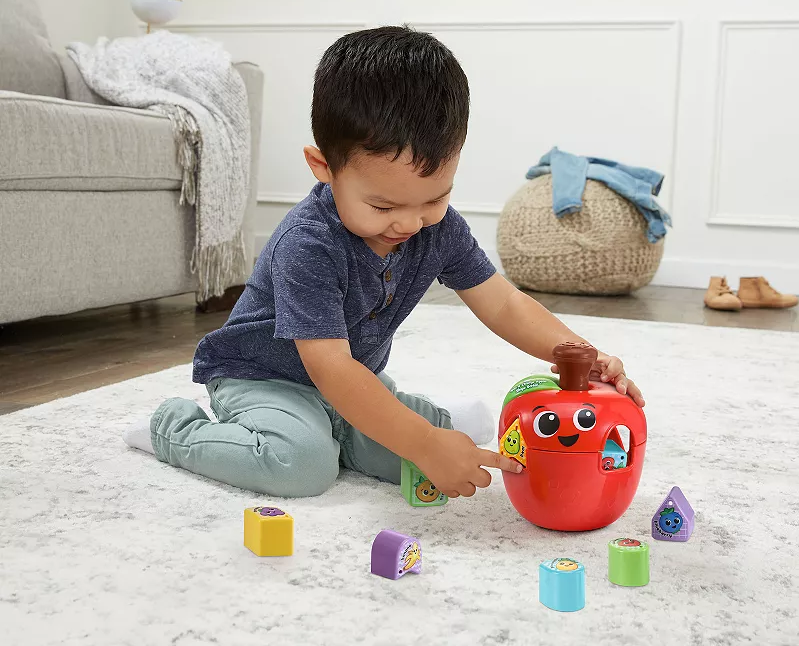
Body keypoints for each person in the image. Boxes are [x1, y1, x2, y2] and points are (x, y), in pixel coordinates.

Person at [123, 26, 645, 500]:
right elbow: (330, 369)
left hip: (354, 383)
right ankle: (175, 431)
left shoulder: (438, 226)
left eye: (434, 198)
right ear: (324, 167)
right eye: (383, 206)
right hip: (265, 379)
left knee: (415, 452)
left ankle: (415, 425)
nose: (411, 223)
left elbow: (504, 304)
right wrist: (425, 443)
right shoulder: (308, 244)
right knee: (302, 466)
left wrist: (582, 355)